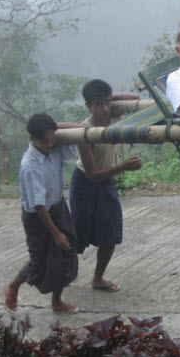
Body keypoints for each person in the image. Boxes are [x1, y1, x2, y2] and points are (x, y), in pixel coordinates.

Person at [3, 114, 82, 314]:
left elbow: (76, 130)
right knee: (40, 260)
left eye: (52, 139)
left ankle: (57, 301)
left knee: (67, 252)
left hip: (58, 207)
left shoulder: (54, 148)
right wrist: (56, 234)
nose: (49, 145)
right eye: (44, 141)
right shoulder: (30, 166)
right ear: (32, 139)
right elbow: (38, 206)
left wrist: (58, 129)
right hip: (38, 217)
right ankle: (14, 285)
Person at [69, 79, 143, 293]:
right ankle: (60, 279)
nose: (104, 109)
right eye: (98, 104)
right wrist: (123, 167)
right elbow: (92, 175)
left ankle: (98, 278)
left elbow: (136, 98)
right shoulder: (85, 131)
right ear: (88, 106)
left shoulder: (112, 116)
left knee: (110, 231)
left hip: (106, 182)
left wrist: (111, 96)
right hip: (85, 183)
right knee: (77, 235)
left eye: (107, 103)